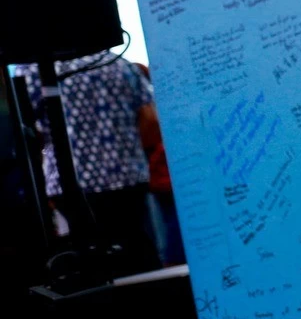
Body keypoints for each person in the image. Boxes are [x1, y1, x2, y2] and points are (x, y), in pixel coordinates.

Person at [14, 51, 161, 276]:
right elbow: (150, 120)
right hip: (129, 177)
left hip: (70, 181)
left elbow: (27, 130)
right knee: (135, 253)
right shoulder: (118, 63)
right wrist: (123, 149)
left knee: (89, 263)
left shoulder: (34, 68)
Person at [135, 62, 186, 266]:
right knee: (173, 219)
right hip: (166, 175)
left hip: (158, 175)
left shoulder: (151, 108)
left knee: (169, 219)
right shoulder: (161, 104)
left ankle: (172, 260)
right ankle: (174, 260)